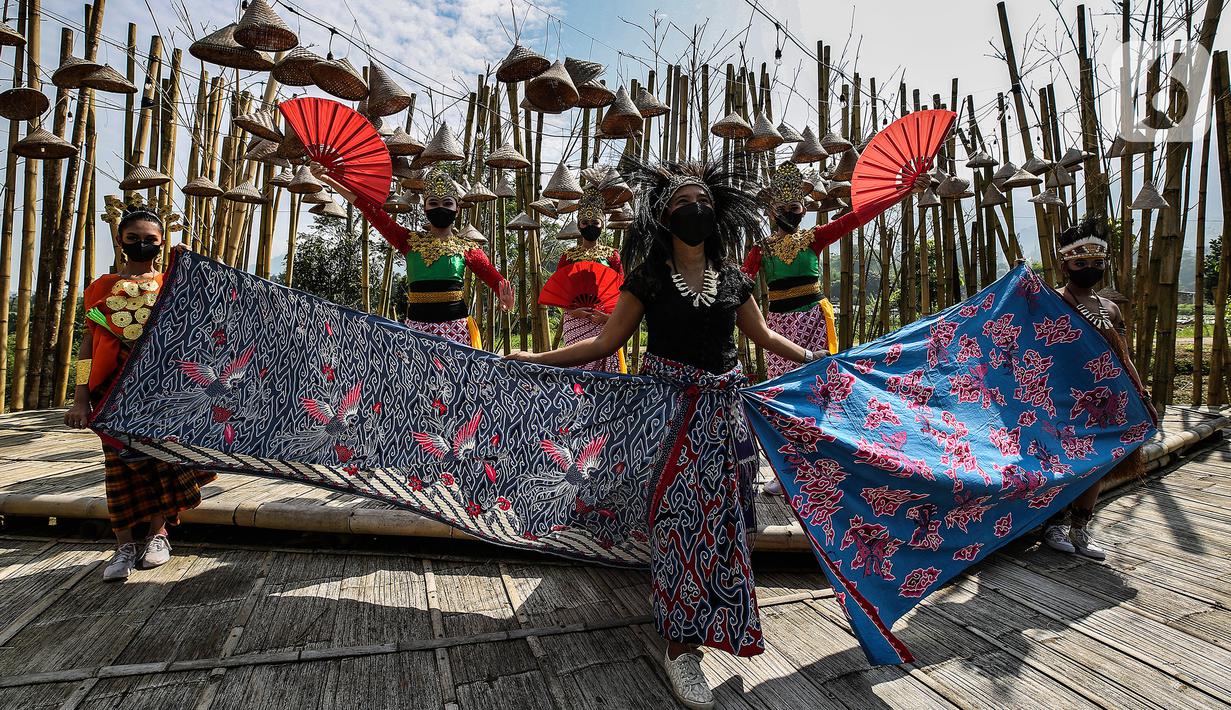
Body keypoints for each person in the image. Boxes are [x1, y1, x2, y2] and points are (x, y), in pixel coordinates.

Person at [508, 160, 822, 710]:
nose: (693, 209)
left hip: (724, 420)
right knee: (677, 525)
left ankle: (718, 619)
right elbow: (604, 343)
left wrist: (814, 358)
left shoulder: (732, 277)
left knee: (722, 526)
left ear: (717, 213)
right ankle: (682, 650)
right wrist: (539, 358)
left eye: (702, 201)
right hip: (666, 417)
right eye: (681, 202)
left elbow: (765, 334)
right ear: (665, 215)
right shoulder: (649, 277)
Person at [63, 204, 216, 581]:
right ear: (120, 241)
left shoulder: (173, 285)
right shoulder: (99, 289)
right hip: (110, 392)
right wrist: (80, 397)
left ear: (162, 244)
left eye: (151, 240)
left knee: (162, 463)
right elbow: (88, 345)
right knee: (119, 469)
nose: (142, 245)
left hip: (160, 393)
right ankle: (123, 546)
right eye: (134, 239)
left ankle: (158, 534)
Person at [1042, 216, 1158, 560]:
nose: (1089, 268)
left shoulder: (1110, 308)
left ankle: (1081, 528)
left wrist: (1143, 395)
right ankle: (1053, 525)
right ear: (1065, 265)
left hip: (1106, 401)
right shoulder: (1051, 302)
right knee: (1066, 463)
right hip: (1062, 399)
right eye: (1081, 262)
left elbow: (1124, 356)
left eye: (1097, 263)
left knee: (1100, 462)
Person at [315, 163, 514, 346]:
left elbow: (496, 280)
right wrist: (328, 178)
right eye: (434, 203)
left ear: (457, 209)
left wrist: (505, 302)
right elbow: (369, 209)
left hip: (456, 334)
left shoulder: (468, 248)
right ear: (425, 209)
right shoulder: (408, 240)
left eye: (447, 203)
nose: (441, 208)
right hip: (415, 333)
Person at [550, 184, 626, 372]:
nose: (589, 226)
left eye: (595, 223)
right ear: (578, 225)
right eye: (585, 222)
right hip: (575, 319)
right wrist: (572, 311)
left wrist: (607, 317)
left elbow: (623, 291)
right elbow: (558, 291)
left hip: (604, 320)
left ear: (602, 224)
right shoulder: (568, 256)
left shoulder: (612, 256)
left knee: (605, 371)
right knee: (577, 368)